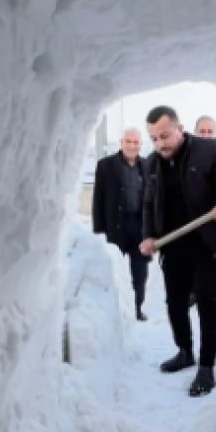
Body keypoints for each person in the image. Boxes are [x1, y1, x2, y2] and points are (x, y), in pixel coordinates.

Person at [139, 106, 216, 396]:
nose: (160, 144)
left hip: (208, 240)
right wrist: (148, 236)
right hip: (173, 244)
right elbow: (149, 203)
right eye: (154, 138)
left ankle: (206, 367)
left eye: (165, 136)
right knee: (175, 302)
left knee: (207, 301)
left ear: (180, 129)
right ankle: (185, 351)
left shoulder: (211, 150)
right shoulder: (151, 163)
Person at [92, 128, 153, 320]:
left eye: (136, 142)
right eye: (128, 141)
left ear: (140, 145)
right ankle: (113, 312)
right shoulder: (105, 166)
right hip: (115, 226)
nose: (132, 146)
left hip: (140, 228)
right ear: (121, 142)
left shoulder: (148, 166)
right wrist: (99, 232)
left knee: (140, 274)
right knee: (112, 272)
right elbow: (98, 201)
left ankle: (136, 309)